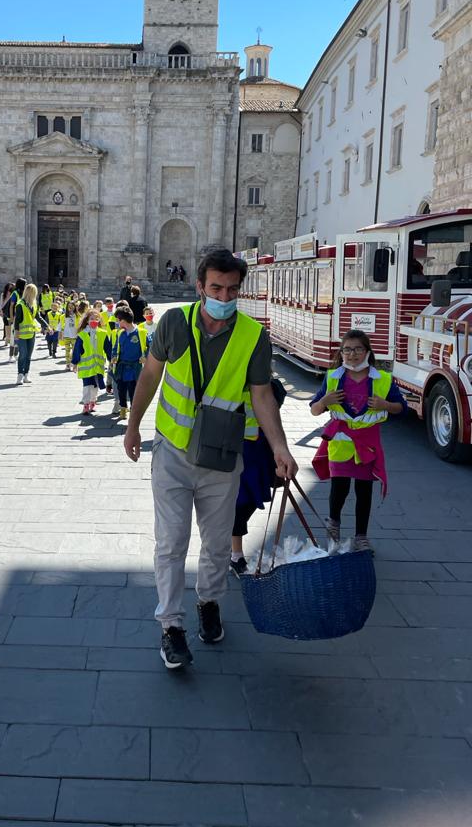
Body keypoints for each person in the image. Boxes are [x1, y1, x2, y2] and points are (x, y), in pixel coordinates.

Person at [123, 247, 298, 670]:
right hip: (173, 452)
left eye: (232, 289)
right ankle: (171, 627)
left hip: (223, 456)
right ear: (199, 286)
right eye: (216, 287)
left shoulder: (253, 336)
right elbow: (150, 374)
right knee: (171, 543)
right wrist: (133, 426)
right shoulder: (174, 323)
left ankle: (209, 603)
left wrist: (280, 447)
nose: (224, 295)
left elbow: (261, 396)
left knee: (218, 544)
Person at [310, 329, 407, 553]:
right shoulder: (332, 377)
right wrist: (325, 400)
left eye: (358, 349)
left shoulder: (382, 379)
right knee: (339, 488)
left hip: (367, 444)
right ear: (341, 352)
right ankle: (333, 526)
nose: (352, 354)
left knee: (364, 491)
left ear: (367, 352)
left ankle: (361, 537)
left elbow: (402, 409)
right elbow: (315, 410)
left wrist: (386, 405)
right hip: (340, 443)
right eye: (347, 349)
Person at [229, 377, 287, 577]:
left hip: (260, 452)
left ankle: (231, 545)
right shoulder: (229, 382)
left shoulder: (270, 386)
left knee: (251, 500)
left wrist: (281, 450)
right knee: (240, 503)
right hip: (237, 453)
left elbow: (274, 419)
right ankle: (236, 554)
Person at [72, 309, 111, 414]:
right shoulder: (82, 335)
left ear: (99, 320)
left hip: (98, 366)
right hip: (86, 366)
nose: (94, 321)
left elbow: (108, 349)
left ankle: (93, 402)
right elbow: (77, 349)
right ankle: (85, 404)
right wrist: (75, 363)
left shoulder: (103, 333)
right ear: (87, 320)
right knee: (86, 386)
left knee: (95, 386)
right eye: (92, 319)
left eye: (96, 319)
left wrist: (112, 360)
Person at [111, 306, 146, 421]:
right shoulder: (120, 333)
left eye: (118, 320)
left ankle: (133, 409)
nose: (117, 322)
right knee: (121, 388)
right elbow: (116, 347)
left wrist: (145, 356)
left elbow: (149, 347)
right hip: (122, 366)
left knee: (132, 390)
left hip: (135, 367)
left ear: (123, 320)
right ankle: (123, 408)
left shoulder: (140, 332)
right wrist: (114, 357)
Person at [13, 282, 43, 385]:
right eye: (34, 293)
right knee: (23, 354)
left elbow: (38, 317)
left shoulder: (34, 304)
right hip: (21, 334)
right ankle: (20, 375)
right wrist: (16, 333)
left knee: (29, 355)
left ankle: (26, 374)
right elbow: (17, 320)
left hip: (31, 333)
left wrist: (47, 326)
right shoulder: (20, 304)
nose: (35, 295)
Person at [61, 301, 78, 369]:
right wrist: (61, 335)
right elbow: (61, 326)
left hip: (74, 336)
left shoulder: (77, 316)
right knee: (67, 351)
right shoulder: (63, 316)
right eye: (69, 306)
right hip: (66, 336)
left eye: (72, 306)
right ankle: (67, 364)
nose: (70, 307)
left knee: (74, 351)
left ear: (75, 307)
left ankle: (72, 362)